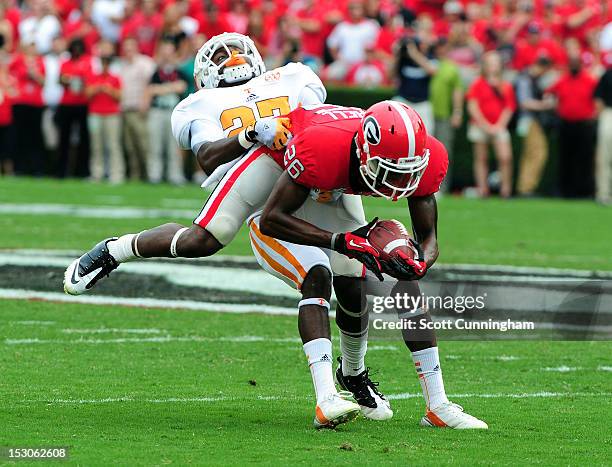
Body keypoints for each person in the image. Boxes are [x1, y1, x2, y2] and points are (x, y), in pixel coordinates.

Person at [63, 33, 389, 428]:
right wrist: (250, 134)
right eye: (218, 54)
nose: (230, 57)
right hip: (261, 200)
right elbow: (207, 156)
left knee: (355, 282)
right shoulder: (200, 104)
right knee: (223, 246)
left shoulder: (293, 76)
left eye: (235, 50)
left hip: (323, 186)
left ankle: (353, 374)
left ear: (255, 56)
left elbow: (324, 129)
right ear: (202, 74)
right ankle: (118, 249)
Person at [255, 101, 488, 430]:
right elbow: (272, 219)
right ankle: (326, 395)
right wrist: (341, 241)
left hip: (336, 186)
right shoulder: (323, 148)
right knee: (216, 236)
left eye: (408, 167)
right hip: (277, 177)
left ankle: (435, 403)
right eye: (391, 166)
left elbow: (430, 240)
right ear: (364, 151)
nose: (401, 177)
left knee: (390, 281)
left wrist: (421, 262)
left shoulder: (427, 157)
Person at [466, 51, 516, 198]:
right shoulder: (477, 84)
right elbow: (472, 106)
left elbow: (509, 108)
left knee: (505, 157)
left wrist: (499, 125)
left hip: (498, 126)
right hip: (480, 126)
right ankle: (483, 189)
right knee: (481, 158)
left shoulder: (505, 86)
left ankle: (505, 190)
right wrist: (485, 125)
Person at [546, 57, 597, 198]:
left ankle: (585, 191)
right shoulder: (563, 80)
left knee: (585, 159)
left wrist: (594, 113)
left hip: (584, 124)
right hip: (566, 124)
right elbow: (548, 92)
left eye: (576, 64)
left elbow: (598, 98)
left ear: (581, 65)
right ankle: (565, 190)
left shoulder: (589, 80)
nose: (574, 66)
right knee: (565, 159)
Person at [142, 38, 188, 184]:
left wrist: (159, 90)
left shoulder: (179, 72)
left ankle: (175, 175)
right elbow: (149, 90)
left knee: (173, 147)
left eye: (169, 51)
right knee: (155, 145)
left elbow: (182, 87)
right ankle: (154, 174)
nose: (167, 54)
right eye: (164, 51)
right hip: (157, 112)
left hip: (174, 112)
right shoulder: (155, 72)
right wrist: (170, 87)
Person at [515, 56, 555, 197]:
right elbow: (524, 102)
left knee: (530, 153)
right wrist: (545, 105)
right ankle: (527, 187)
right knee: (538, 152)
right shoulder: (525, 79)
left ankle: (524, 186)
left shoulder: (530, 78)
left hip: (530, 121)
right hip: (528, 120)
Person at [429, 38, 463, 193]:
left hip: (444, 114)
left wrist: (457, 112)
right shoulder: (430, 63)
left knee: (443, 151)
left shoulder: (451, 68)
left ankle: (442, 186)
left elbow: (457, 91)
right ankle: (427, 185)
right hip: (428, 112)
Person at [86, 47, 124, 183]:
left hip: (112, 114)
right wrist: (98, 88)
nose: (105, 65)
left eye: (107, 62)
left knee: (113, 144)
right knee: (96, 145)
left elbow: (120, 96)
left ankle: (116, 174)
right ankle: (97, 173)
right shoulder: (93, 77)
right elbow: (87, 94)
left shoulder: (115, 78)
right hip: (95, 114)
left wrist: (108, 90)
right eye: (103, 62)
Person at [119, 36, 155, 181]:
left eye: (131, 48)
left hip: (139, 109)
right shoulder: (121, 65)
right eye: (126, 49)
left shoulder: (145, 63)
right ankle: (135, 175)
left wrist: (145, 102)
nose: (128, 51)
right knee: (130, 146)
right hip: (125, 108)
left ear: (136, 48)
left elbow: (150, 84)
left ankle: (149, 175)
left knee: (144, 144)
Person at [9, 39, 46, 176]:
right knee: (19, 135)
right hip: (20, 102)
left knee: (35, 136)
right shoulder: (17, 60)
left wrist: (34, 74)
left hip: (36, 103)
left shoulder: (40, 62)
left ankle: (37, 168)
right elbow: (9, 75)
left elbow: (43, 81)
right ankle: (19, 168)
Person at [57, 38, 92, 178]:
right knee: (64, 139)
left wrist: (72, 79)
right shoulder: (65, 63)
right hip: (67, 103)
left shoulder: (87, 62)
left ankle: (82, 171)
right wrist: (69, 79)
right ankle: (62, 171)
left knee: (84, 139)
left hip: (82, 104)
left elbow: (88, 80)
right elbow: (60, 79)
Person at [326, 0, 379, 82]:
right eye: (353, 9)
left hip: (364, 64)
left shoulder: (371, 25)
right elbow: (332, 44)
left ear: (363, 10)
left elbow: (377, 46)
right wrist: (338, 59)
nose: (355, 11)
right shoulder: (342, 26)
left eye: (358, 8)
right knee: (331, 74)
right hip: (345, 64)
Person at [594, 58, 612, 205]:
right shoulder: (607, 74)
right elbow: (598, 98)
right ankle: (603, 193)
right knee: (604, 156)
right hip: (609, 113)